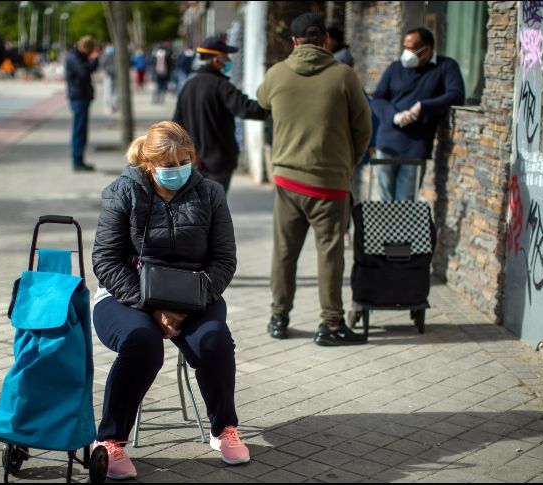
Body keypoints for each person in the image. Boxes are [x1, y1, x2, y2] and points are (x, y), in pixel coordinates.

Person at [90, 121, 249, 479]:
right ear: (148, 164)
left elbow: (224, 260)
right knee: (142, 342)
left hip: (195, 295)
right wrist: (151, 307)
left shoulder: (210, 193)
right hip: (125, 295)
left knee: (215, 340)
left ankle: (224, 428)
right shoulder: (122, 191)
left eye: (183, 162)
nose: (176, 170)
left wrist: (183, 307)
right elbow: (106, 260)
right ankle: (110, 440)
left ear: (193, 159)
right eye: (167, 164)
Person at [256, 13, 372, 346]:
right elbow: (363, 127)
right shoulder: (344, 76)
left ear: (294, 42)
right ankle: (331, 325)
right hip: (330, 185)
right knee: (330, 256)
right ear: (326, 40)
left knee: (284, 253)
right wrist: (347, 163)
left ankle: (279, 318)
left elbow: (262, 100)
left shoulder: (277, 73)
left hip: (288, 183)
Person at [371, 27, 464, 201]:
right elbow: (377, 99)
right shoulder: (395, 68)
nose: (406, 52)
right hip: (387, 142)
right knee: (385, 202)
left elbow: (456, 95)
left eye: (412, 48)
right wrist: (394, 116)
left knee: (406, 202)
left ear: (427, 49)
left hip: (416, 146)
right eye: (405, 47)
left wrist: (423, 106)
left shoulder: (445, 66)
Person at [173, 36, 267, 193]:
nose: (228, 61)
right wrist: (273, 107)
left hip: (193, 163)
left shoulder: (188, 86)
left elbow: (175, 124)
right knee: (215, 205)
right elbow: (246, 108)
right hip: (219, 163)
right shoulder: (221, 85)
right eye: (226, 57)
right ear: (216, 60)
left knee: (198, 205)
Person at [65, 36, 100, 172]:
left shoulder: (79, 56)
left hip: (82, 96)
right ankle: (77, 161)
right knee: (79, 130)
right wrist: (94, 60)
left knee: (82, 130)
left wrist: (93, 61)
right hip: (78, 97)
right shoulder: (73, 57)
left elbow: (89, 70)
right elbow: (84, 72)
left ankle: (79, 160)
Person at [100, 44, 116, 114]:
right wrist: (102, 72)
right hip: (108, 75)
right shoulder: (105, 56)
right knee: (108, 91)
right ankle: (107, 106)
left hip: (114, 75)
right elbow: (102, 65)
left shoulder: (114, 55)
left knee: (114, 91)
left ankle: (113, 106)